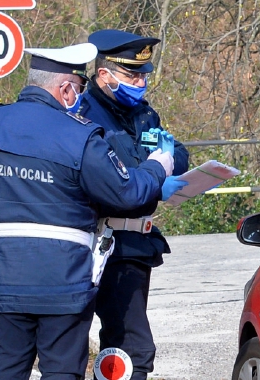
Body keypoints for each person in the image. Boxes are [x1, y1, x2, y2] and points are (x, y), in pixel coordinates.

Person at [0, 42, 176, 380]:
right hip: (64, 280)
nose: (80, 96)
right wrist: (158, 167)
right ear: (66, 88)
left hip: (3, 276)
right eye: (80, 88)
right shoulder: (80, 136)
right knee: (61, 371)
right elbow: (126, 192)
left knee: (5, 369)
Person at [77, 29, 190, 380]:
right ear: (104, 74)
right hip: (99, 240)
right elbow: (112, 177)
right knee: (132, 349)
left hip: (134, 245)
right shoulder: (85, 112)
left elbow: (178, 153)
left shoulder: (143, 114)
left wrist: (170, 159)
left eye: (143, 75)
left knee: (121, 346)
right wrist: (155, 171)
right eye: (131, 75)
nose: (140, 82)